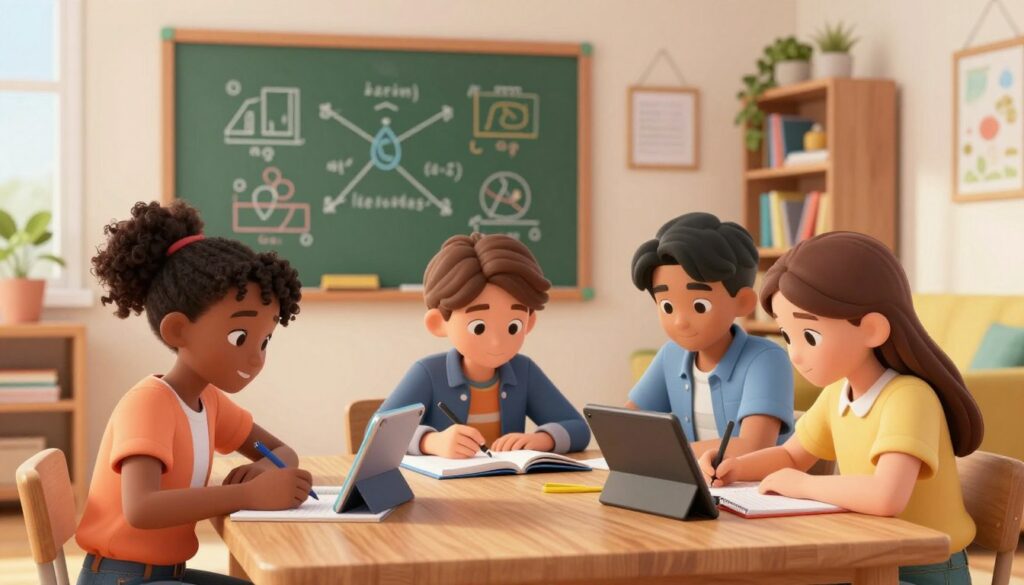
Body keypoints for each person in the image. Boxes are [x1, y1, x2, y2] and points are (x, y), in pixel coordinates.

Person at [700, 231, 983, 585]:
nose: (796, 354)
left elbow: (886, 497)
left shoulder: (909, 397)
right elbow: (791, 457)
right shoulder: (839, 394)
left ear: (872, 329)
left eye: (810, 336)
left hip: (925, 569)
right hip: (871, 557)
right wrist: (734, 467)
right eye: (788, 336)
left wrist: (802, 486)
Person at [76, 201, 312, 585]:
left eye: (265, 340)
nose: (255, 357)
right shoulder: (149, 403)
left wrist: (264, 471)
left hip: (165, 574)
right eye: (240, 337)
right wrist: (247, 496)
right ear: (178, 331)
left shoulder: (209, 403)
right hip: (121, 579)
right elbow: (141, 508)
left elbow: (282, 452)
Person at [381, 233, 590, 458]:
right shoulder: (429, 373)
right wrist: (431, 442)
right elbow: (380, 434)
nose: (496, 342)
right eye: (478, 327)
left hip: (506, 486)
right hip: (443, 489)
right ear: (438, 323)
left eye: (513, 327)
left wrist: (541, 440)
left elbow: (578, 429)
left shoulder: (524, 372)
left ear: (528, 323)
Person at [628, 212, 794, 458]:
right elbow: (628, 426)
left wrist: (667, 453)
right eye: (667, 307)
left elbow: (755, 446)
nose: (680, 321)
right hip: (697, 486)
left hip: (753, 490)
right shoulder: (671, 356)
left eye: (699, 306)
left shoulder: (766, 359)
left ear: (743, 302)